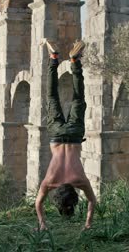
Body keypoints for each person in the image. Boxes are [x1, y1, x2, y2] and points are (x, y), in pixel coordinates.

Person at [35, 39, 97, 231]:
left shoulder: (80, 180)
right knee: (52, 96)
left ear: (74, 194)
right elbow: (38, 204)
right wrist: (42, 222)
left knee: (78, 97)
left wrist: (88, 223)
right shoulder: (49, 182)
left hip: (75, 134)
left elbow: (92, 202)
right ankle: (54, 58)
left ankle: (74, 61)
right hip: (56, 134)